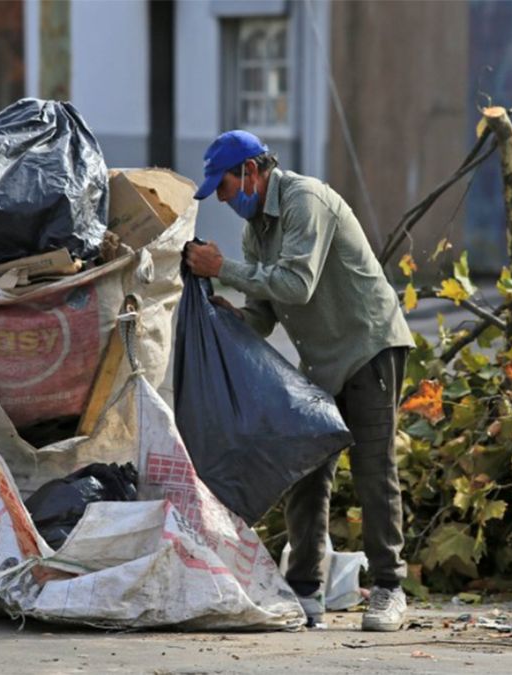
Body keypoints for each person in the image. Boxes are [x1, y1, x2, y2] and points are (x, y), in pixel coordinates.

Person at [185, 130, 414, 631]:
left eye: (223, 187)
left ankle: (389, 589)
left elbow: (298, 285)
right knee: (306, 467)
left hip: (370, 346)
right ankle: (305, 590)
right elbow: (264, 316)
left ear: (250, 171)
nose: (224, 200)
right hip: (322, 361)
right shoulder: (256, 233)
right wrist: (224, 315)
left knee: (375, 470)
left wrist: (223, 268)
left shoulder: (303, 200)